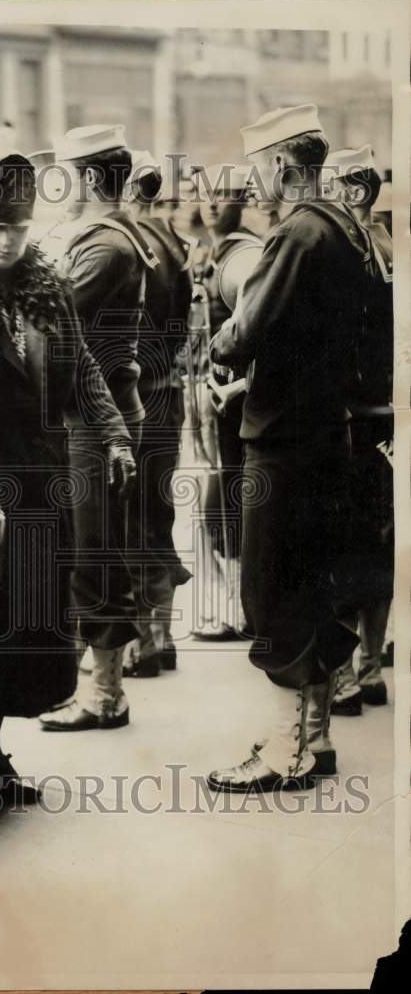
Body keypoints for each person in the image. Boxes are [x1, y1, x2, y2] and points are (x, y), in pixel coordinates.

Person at [0, 153, 135, 788]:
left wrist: (115, 436)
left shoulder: (47, 282)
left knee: (28, 625)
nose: (4, 241)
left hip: (40, 478)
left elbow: (83, 369)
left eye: (15, 229)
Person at [207, 104, 375, 792]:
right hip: (327, 435)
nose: (255, 184)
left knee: (271, 590)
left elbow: (245, 328)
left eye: (256, 170)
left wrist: (221, 352)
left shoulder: (296, 233)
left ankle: (283, 752)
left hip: (282, 443)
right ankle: (312, 737)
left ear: (279, 164)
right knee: (314, 584)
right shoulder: (347, 226)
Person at [38, 124, 171, 731]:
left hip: (99, 421)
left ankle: (107, 695)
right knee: (90, 550)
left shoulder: (106, 246)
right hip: (96, 415)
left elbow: (48, 315)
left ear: (89, 178)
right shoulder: (112, 236)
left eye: (62, 175)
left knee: (98, 554)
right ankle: (99, 687)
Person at [324, 146, 393, 716]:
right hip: (386, 415)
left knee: (340, 543)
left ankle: (345, 677)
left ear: (353, 192)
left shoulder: (341, 249)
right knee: (377, 542)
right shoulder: (392, 247)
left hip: (346, 415)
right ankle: (369, 667)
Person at [122, 152, 195, 675]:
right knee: (158, 513)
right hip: (168, 392)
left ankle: (144, 642)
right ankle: (162, 635)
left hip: (131, 396)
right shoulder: (174, 243)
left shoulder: (125, 244)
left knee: (129, 518)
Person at [189, 164, 264, 641]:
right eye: (205, 196)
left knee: (234, 498)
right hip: (212, 396)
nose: (213, 204)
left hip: (240, 399)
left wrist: (238, 386)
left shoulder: (248, 254)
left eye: (224, 195)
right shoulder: (208, 252)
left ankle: (242, 607)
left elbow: (267, 330)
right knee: (222, 496)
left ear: (242, 200)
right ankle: (236, 604)